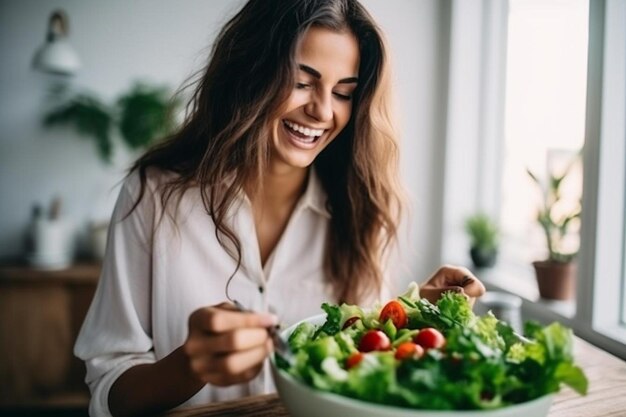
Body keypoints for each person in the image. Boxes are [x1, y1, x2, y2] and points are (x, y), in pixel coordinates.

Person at [74, 0, 486, 416]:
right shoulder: (155, 195)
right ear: (249, 73)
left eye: (344, 92)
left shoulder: (361, 209)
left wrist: (410, 316)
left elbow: (353, 363)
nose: (323, 111)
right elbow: (110, 390)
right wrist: (188, 365)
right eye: (302, 82)